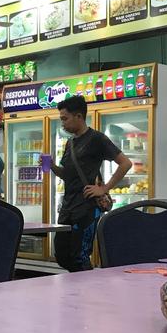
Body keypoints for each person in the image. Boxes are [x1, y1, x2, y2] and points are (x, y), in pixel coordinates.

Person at [50, 95, 132, 272]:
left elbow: (125, 163)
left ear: (79, 116)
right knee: (62, 254)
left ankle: (85, 286)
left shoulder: (97, 139)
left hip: (86, 208)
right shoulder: (70, 143)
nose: (62, 124)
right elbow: (68, 176)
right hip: (68, 207)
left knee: (79, 257)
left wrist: (104, 188)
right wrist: (52, 167)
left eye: (65, 119)